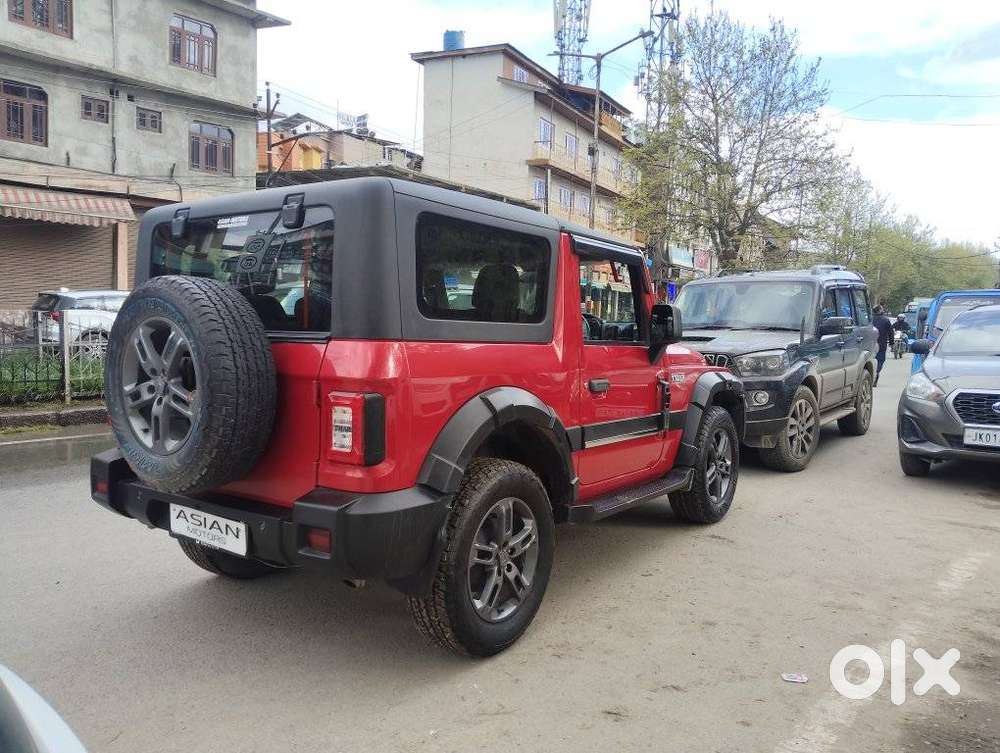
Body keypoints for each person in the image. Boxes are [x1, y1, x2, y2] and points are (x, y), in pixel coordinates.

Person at [872, 305, 894, 386]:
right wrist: (892, 343)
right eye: (882, 309)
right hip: (881, 345)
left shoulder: (868, 319)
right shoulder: (885, 320)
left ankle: (872, 374)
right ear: (880, 310)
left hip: (869, 344)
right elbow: (891, 333)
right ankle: (876, 372)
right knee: (880, 360)